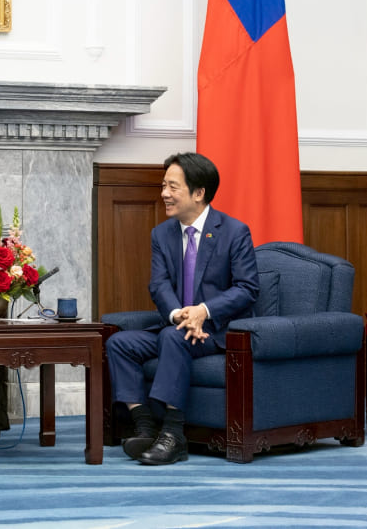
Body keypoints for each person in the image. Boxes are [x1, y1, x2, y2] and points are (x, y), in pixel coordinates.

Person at [106, 152, 259, 465]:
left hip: (217, 332)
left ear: (198, 193)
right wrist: (179, 315)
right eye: (163, 186)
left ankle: (173, 434)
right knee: (118, 343)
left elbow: (247, 289)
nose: (164, 193)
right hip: (176, 326)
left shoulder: (234, 232)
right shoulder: (162, 233)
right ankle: (145, 426)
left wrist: (203, 310)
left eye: (172, 187)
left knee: (173, 338)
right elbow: (158, 285)